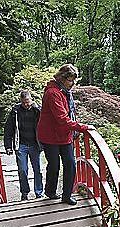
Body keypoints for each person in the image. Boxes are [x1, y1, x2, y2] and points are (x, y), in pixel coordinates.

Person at [37, 64, 94, 205]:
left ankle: (66, 195)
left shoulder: (65, 91)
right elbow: (62, 119)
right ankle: (50, 192)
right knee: (54, 165)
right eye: (70, 80)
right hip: (50, 136)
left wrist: (75, 128)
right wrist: (82, 127)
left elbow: (69, 114)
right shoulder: (53, 93)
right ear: (62, 79)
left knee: (70, 164)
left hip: (64, 135)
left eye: (74, 80)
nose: (72, 83)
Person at [4, 90, 43, 201]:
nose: (26, 104)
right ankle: (25, 192)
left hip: (35, 144)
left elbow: (45, 125)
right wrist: (8, 146)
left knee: (38, 169)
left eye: (27, 102)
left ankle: (39, 192)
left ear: (31, 99)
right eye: (23, 102)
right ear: (20, 101)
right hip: (21, 145)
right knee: (22, 170)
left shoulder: (37, 110)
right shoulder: (15, 112)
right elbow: (8, 129)